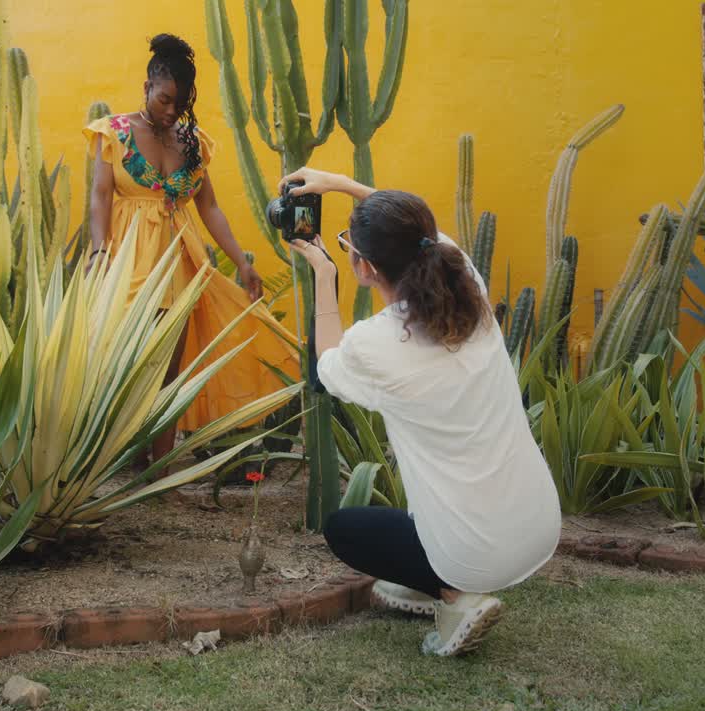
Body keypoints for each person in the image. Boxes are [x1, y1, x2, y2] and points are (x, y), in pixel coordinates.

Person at [283, 167, 561, 657]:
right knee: (414, 512)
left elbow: (326, 367)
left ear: (364, 267)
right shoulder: (465, 280)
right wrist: (343, 183)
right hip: (539, 524)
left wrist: (324, 274)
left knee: (345, 530)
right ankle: (434, 576)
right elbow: (418, 231)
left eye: (350, 245)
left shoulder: (376, 343)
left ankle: (455, 595)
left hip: (474, 556)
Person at [83, 34, 298, 464]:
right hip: (127, 259)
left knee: (169, 367)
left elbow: (210, 207)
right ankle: (114, 455)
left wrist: (242, 261)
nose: (170, 110)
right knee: (123, 359)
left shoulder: (191, 141)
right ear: (147, 86)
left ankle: (159, 467)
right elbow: (100, 197)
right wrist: (98, 253)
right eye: (164, 99)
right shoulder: (114, 133)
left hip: (178, 260)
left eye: (178, 104)